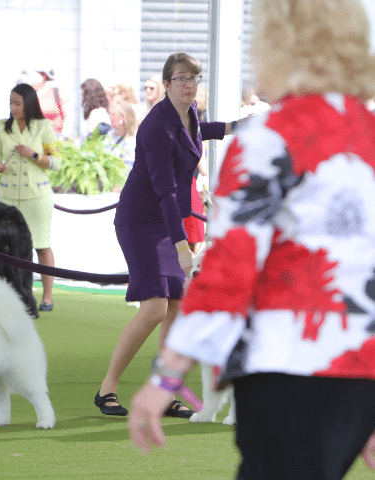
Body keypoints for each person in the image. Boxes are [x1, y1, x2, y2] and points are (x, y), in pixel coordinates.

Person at [129, 2, 375, 478]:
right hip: (360, 377)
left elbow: (228, 268)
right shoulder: (368, 136)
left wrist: (167, 376)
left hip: (286, 369)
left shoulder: (267, 137)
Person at [93, 52, 238, 418]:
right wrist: (182, 246)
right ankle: (106, 389)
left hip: (166, 219)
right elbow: (166, 192)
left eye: (193, 79)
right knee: (156, 308)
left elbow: (196, 134)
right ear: (167, 83)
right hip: (141, 220)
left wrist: (237, 127)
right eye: (181, 79)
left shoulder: (189, 114)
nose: (189, 85)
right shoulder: (156, 125)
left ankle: (164, 389)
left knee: (175, 305)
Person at [0, 83, 62, 312]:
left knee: (41, 246)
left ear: (28, 103)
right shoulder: (2, 127)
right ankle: (11, 294)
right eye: (11, 102)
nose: (13, 107)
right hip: (8, 197)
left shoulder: (43, 126)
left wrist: (32, 154)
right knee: (5, 247)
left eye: (17, 103)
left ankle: (47, 296)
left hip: (36, 196)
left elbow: (56, 163)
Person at [17, 67, 69, 137]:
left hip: (55, 140)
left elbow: (69, 116)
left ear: (43, 75)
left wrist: (64, 136)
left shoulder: (57, 93)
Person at [104, 99, 138, 172]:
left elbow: (127, 169)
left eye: (113, 114)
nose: (110, 117)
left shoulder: (132, 142)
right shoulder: (111, 134)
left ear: (123, 118)